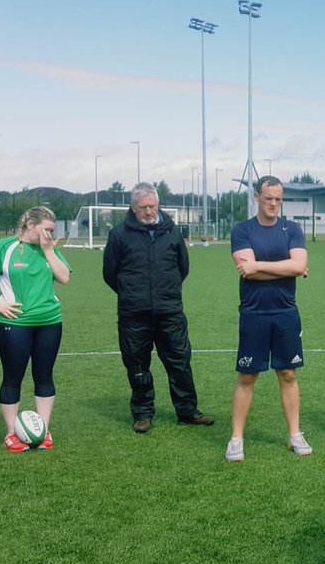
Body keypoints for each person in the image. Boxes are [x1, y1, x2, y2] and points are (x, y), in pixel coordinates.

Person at [103, 182, 213, 433]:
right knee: (137, 364)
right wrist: (133, 295)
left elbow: (182, 268)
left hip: (170, 311)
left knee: (180, 361)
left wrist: (166, 293)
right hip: (134, 314)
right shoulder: (119, 234)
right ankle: (143, 413)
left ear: (159, 205)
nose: (148, 211)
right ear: (133, 207)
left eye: (152, 206)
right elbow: (110, 273)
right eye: (143, 207)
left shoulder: (172, 232)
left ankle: (187, 411)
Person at [0, 206, 71, 452]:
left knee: (44, 376)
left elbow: (64, 278)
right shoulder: (6, 247)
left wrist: (48, 250)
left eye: (52, 231)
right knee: (13, 378)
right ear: (30, 224)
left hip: (50, 323)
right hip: (13, 325)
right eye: (46, 230)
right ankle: (12, 433)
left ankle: (42, 430)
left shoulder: (49, 250)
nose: (49, 235)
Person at [226, 176, 310, 462]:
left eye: (278, 198)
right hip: (253, 313)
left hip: (286, 313)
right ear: (257, 197)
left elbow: (296, 265)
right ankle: (236, 438)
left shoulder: (292, 229)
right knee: (247, 375)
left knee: (287, 373)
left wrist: (259, 266)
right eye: (268, 197)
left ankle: (295, 434)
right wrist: (289, 268)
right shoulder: (242, 230)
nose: (273, 203)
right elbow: (247, 271)